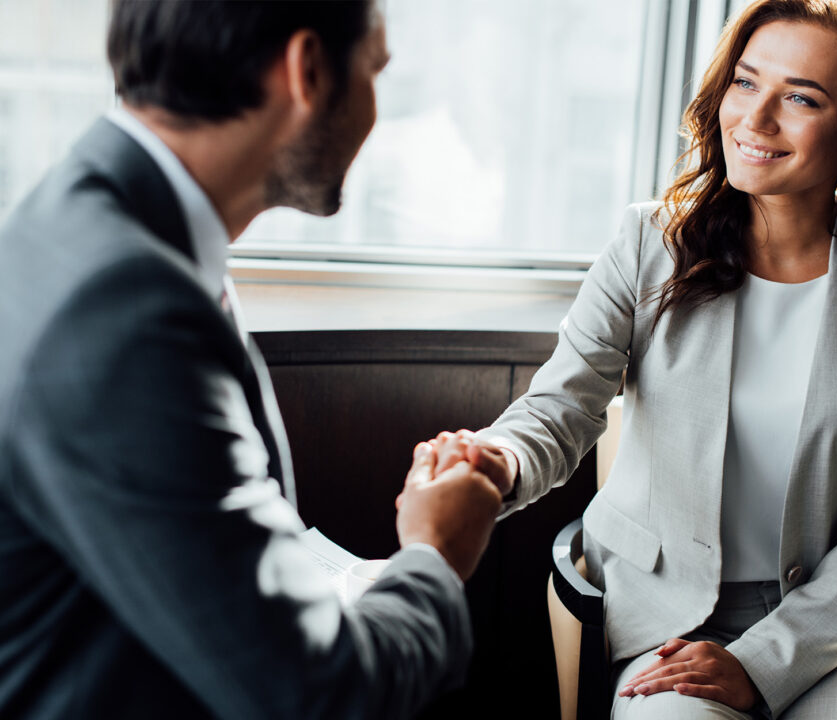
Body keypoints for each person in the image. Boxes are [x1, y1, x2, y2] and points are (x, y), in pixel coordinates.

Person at [428, 0, 837, 717]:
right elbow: (564, 404)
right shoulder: (650, 243)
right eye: (746, 82)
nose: (757, 119)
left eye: (800, 97)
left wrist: (763, 661)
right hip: (667, 613)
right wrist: (497, 462)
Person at [0, 1, 504, 718]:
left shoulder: (99, 219)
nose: (375, 112)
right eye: (374, 72)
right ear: (306, 71)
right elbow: (320, 695)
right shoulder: (127, 309)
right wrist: (433, 553)